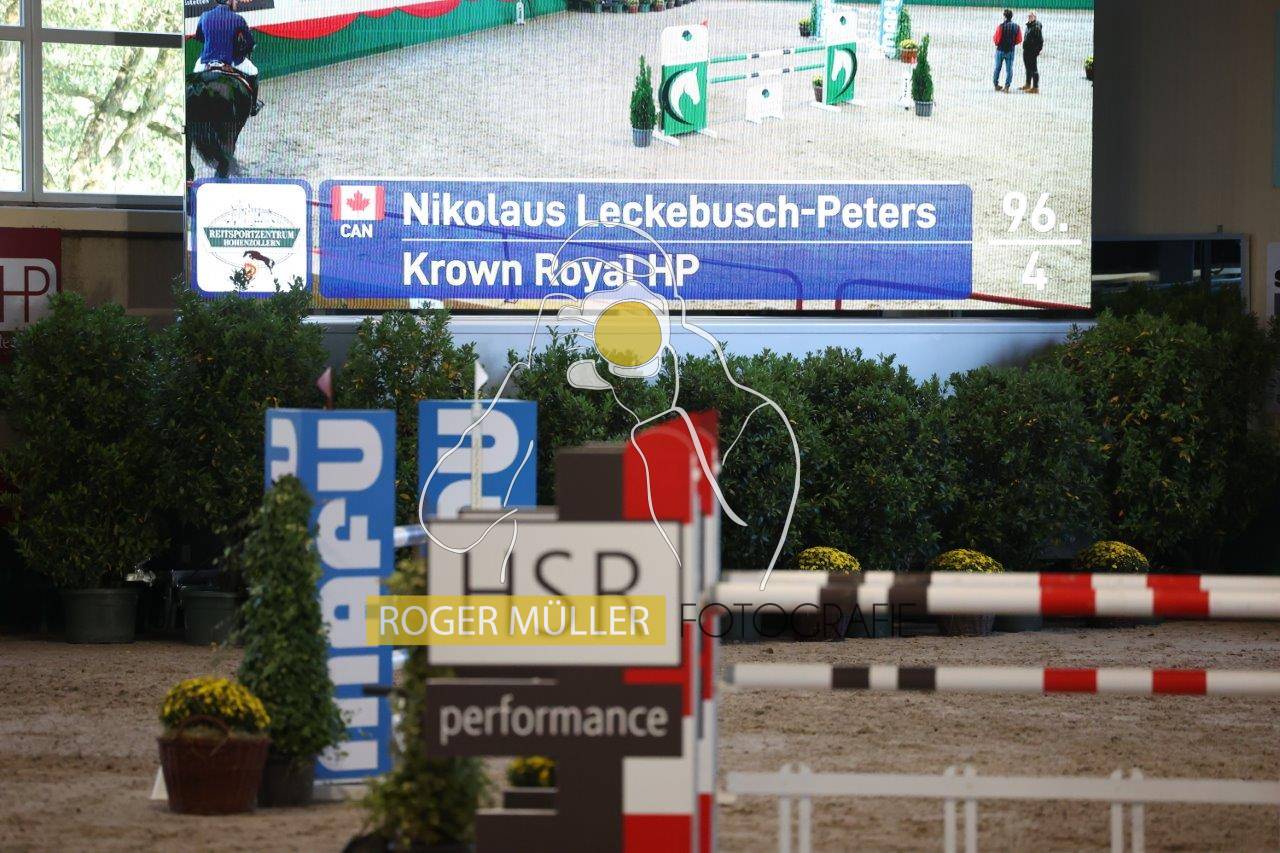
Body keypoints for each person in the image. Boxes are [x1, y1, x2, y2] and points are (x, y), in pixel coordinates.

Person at [192, 0, 263, 116]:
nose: (237, 2)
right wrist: (241, 50)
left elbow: (199, 37)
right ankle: (253, 107)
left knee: (194, 77)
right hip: (231, 60)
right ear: (229, 1)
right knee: (254, 71)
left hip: (206, 61)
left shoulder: (204, 16)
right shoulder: (238, 19)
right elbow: (250, 44)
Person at [992, 8, 1022, 93]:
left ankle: (996, 84)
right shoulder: (1017, 27)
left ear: (1004, 16)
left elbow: (996, 39)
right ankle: (1007, 86)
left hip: (1000, 50)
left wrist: (998, 44)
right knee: (1009, 69)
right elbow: (1019, 39)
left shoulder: (1001, 26)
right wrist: (1012, 44)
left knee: (997, 68)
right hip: (1010, 51)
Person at [1020, 11, 1044, 93]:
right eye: (1029, 16)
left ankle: (1035, 87)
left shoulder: (1036, 27)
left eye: (1031, 16)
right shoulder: (1029, 25)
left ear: (1035, 17)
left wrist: (1037, 51)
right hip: (1026, 50)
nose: (1029, 17)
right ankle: (1028, 84)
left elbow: (1040, 41)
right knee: (1028, 68)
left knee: (1034, 69)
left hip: (1032, 52)